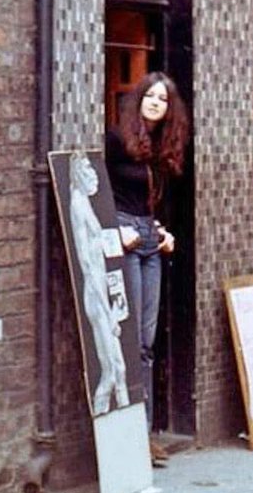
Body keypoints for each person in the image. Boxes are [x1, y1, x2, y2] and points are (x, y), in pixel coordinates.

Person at [105, 72, 190, 466]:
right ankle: (129, 436)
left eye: (163, 99)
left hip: (150, 240)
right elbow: (97, 192)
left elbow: (158, 201)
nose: (156, 102)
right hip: (125, 237)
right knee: (129, 339)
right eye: (150, 96)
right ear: (137, 99)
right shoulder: (116, 140)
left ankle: (145, 432)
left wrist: (163, 230)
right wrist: (116, 230)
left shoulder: (163, 149)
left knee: (146, 342)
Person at [68, 152, 129, 416]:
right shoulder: (77, 206)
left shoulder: (85, 203)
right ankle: (105, 414)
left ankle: (125, 425)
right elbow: (88, 268)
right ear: (77, 175)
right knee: (113, 371)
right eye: (87, 170)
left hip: (103, 290)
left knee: (120, 368)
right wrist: (108, 313)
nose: (94, 175)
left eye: (93, 170)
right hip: (96, 296)